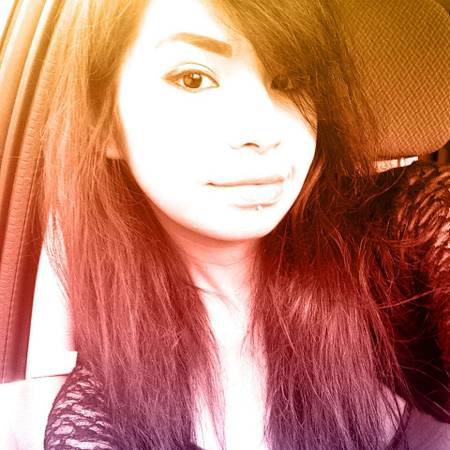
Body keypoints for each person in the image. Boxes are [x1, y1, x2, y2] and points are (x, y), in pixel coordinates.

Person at [38, 0, 449, 449]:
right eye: (193, 78)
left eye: (291, 81)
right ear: (104, 124)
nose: (264, 131)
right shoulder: (97, 417)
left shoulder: (406, 237)